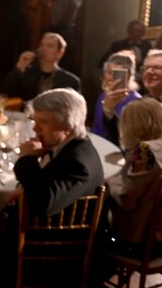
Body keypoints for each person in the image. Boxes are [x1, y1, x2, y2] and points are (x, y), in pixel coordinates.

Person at [9, 88, 105, 217]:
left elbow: (43, 203)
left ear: (68, 127)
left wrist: (27, 158)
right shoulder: (70, 144)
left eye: (43, 122)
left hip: (54, 235)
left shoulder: (77, 164)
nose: (35, 128)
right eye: (35, 121)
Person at [102, 98, 162, 258]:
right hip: (156, 238)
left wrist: (109, 180)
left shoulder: (145, 152)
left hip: (140, 244)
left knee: (95, 216)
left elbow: (126, 198)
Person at [102, 49, 162, 145]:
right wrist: (108, 109)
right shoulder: (142, 103)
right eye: (145, 68)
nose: (149, 72)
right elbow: (124, 140)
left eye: (156, 67)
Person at [2, 32, 81, 102]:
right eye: (42, 45)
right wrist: (19, 67)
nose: (43, 49)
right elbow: (5, 93)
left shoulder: (71, 81)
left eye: (49, 46)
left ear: (60, 53)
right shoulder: (26, 74)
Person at [92, 50, 141, 144]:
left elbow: (129, 137)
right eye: (109, 73)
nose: (111, 78)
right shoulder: (102, 96)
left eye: (117, 74)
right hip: (97, 143)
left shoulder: (136, 101)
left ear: (129, 76)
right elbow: (97, 127)